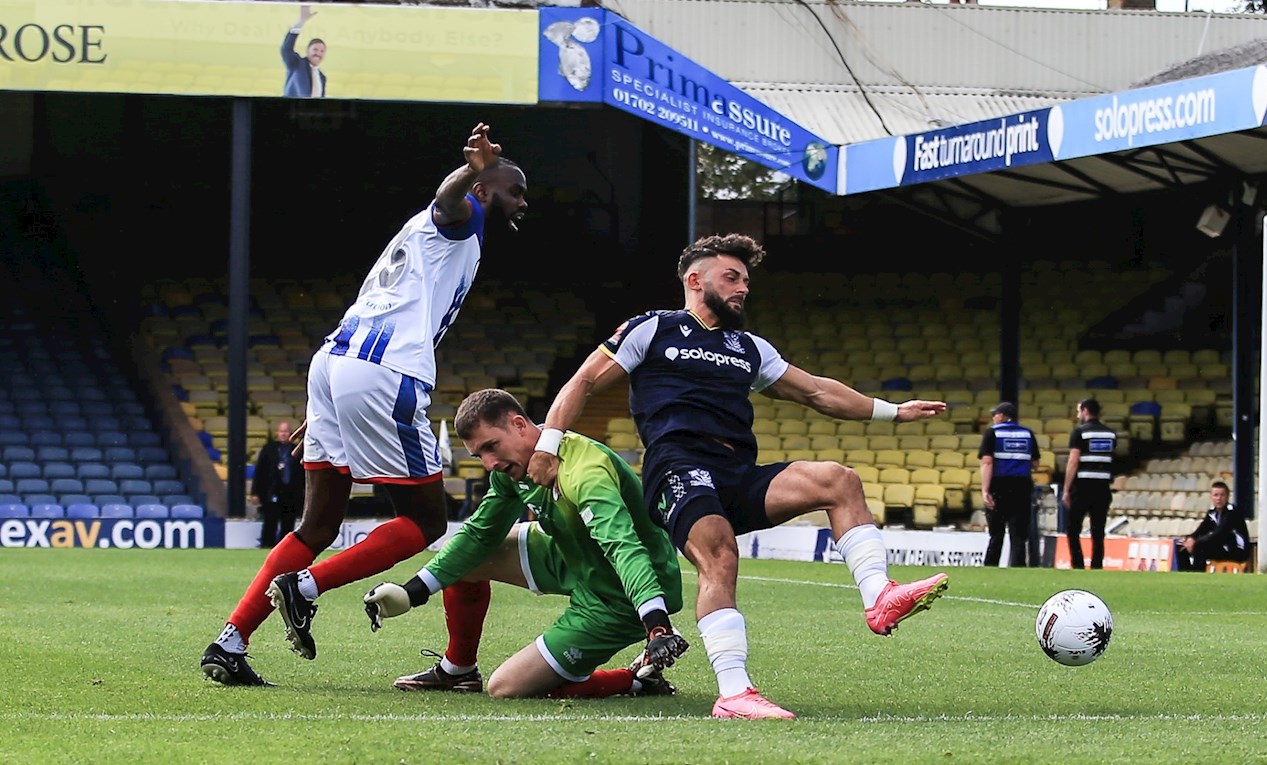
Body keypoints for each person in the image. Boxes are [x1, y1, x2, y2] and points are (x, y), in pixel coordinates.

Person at [525, 233, 951, 720]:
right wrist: (549, 443)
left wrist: (893, 412)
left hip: (736, 472)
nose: (742, 288)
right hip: (678, 467)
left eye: (746, 281)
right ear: (694, 280)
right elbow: (583, 380)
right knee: (720, 552)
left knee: (839, 480)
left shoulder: (748, 347)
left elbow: (816, 392)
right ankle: (733, 694)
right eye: (731, 277)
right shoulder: (652, 328)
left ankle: (879, 597)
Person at [199, 122, 528, 687]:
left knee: (317, 522)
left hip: (335, 363)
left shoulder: (424, 238)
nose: (523, 203)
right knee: (425, 521)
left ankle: (231, 641)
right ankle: (306, 588)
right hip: (382, 370)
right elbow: (448, 202)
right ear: (485, 191)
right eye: (515, 191)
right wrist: (471, 173)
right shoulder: (464, 216)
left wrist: (332, 397)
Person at [362, 388, 688, 699]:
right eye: (479, 455)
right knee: (470, 556)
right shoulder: (509, 471)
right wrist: (413, 591)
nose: (489, 463)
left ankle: (634, 681)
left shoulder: (586, 472)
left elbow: (623, 547)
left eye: (492, 447)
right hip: (569, 554)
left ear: (519, 425)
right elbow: (478, 534)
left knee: (507, 686)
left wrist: (657, 627)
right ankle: (458, 669)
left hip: (622, 594)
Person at [978, 402, 1038, 568]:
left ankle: (991, 566)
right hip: (1022, 485)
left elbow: (987, 463)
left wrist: (985, 490)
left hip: (999, 485)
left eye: (995, 414)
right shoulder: (1028, 433)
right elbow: (1035, 463)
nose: (993, 418)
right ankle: (1018, 566)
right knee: (1018, 532)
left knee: (996, 532)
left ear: (1002, 416)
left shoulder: (992, 433)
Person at [1062, 398, 1117, 570]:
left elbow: (1073, 461)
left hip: (1082, 487)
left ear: (1085, 410)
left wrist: (1066, 489)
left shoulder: (1079, 433)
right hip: (1102, 487)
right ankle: (1096, 565)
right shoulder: (1110, 434)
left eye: (1079, 410)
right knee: (1098, 530)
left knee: (1073, 529)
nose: (1078, 414)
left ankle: (1077, 565)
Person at [251, 420, 304, 549]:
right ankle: (266, 545)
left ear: (290, 433)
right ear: (277, 433)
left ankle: (284, 549)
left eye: (286, 432)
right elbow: (260, 472)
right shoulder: (268, 449)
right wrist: (255, 492)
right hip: (272, 492)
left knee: (288, 523)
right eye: (281, 432)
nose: (284, 434)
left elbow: (303, 473)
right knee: (270, 521)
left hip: (291, 493)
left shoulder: (297, 450)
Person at [1176, 480, 1251, 572]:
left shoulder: (1232, 512)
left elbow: (1219, 533)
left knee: (1200, 545)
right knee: (1181, 546)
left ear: (1227, 497)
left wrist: (1196, 542)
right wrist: (1190, 538)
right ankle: (1186, 572)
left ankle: (1198, 573)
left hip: (1236, 550)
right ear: (1211, 497)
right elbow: (1202, 529)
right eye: (1216, 495)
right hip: (1221, 546)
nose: (1219, 498)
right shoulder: (1212, 512)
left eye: (1222, 495)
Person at [282, 5, 326, 98]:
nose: (318, 53)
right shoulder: (297, 64)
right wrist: (301, 22)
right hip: (292, 110)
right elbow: (286, 49)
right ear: (307, 51)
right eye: (315, 49)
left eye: (322, 51)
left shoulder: (322, 77)